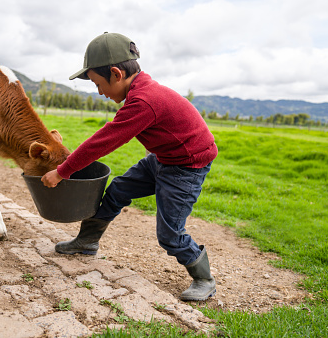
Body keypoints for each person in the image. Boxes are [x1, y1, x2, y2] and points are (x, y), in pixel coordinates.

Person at [42, 32, 218, 301]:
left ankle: (204, 278)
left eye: (98, 84)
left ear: (116, 74)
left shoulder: (144, 100)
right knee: (118, 190)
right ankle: (87, 241)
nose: (100, 92)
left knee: (170, 233)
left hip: (186, 167)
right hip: (163, 159)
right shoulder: (141, 93)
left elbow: (103, 141)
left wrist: (62, 171)